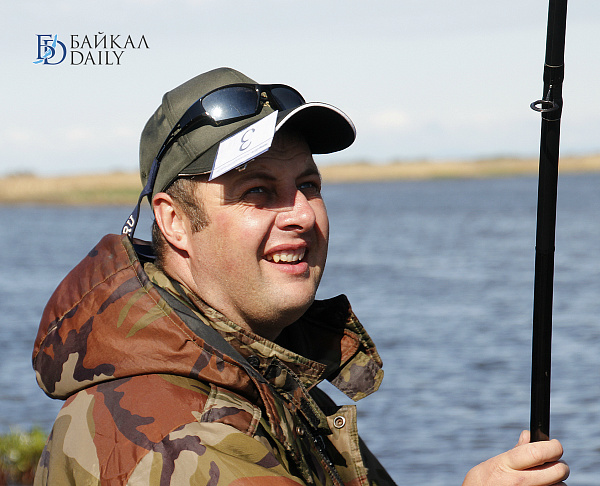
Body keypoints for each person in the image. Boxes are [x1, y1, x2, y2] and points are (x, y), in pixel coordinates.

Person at [32, 67, 569, 485]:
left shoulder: (258, 368)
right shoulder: (181, 437)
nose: (301, 215)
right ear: (174, 222)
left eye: (308, 185)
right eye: (258, 191)